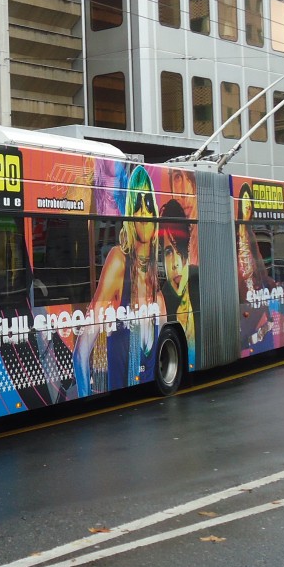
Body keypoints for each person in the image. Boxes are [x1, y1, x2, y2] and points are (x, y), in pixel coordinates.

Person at [72, 165, 162, 396]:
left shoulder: (158, 296)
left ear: (155, 218)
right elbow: (81, 351)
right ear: (129, 215)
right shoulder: (118, 261)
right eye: (137, 206)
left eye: (148, 206)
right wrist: (85, 397)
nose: (143, 213)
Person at [236, 183, 276, 352]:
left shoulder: (251, 232)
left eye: (249, 203)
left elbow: (258, 259)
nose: (247, 207)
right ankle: (249, 339)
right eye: (244, 202)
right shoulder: (235, 230)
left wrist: (266, 278)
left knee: (265, 311)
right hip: (241, 285)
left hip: (253, 283)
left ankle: (255, 337)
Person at [159, 199, 197, 369]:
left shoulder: (201, 282)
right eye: (168, 252)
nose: (174, 263)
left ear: (187, 248)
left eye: (178, 249)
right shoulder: (161, 301)